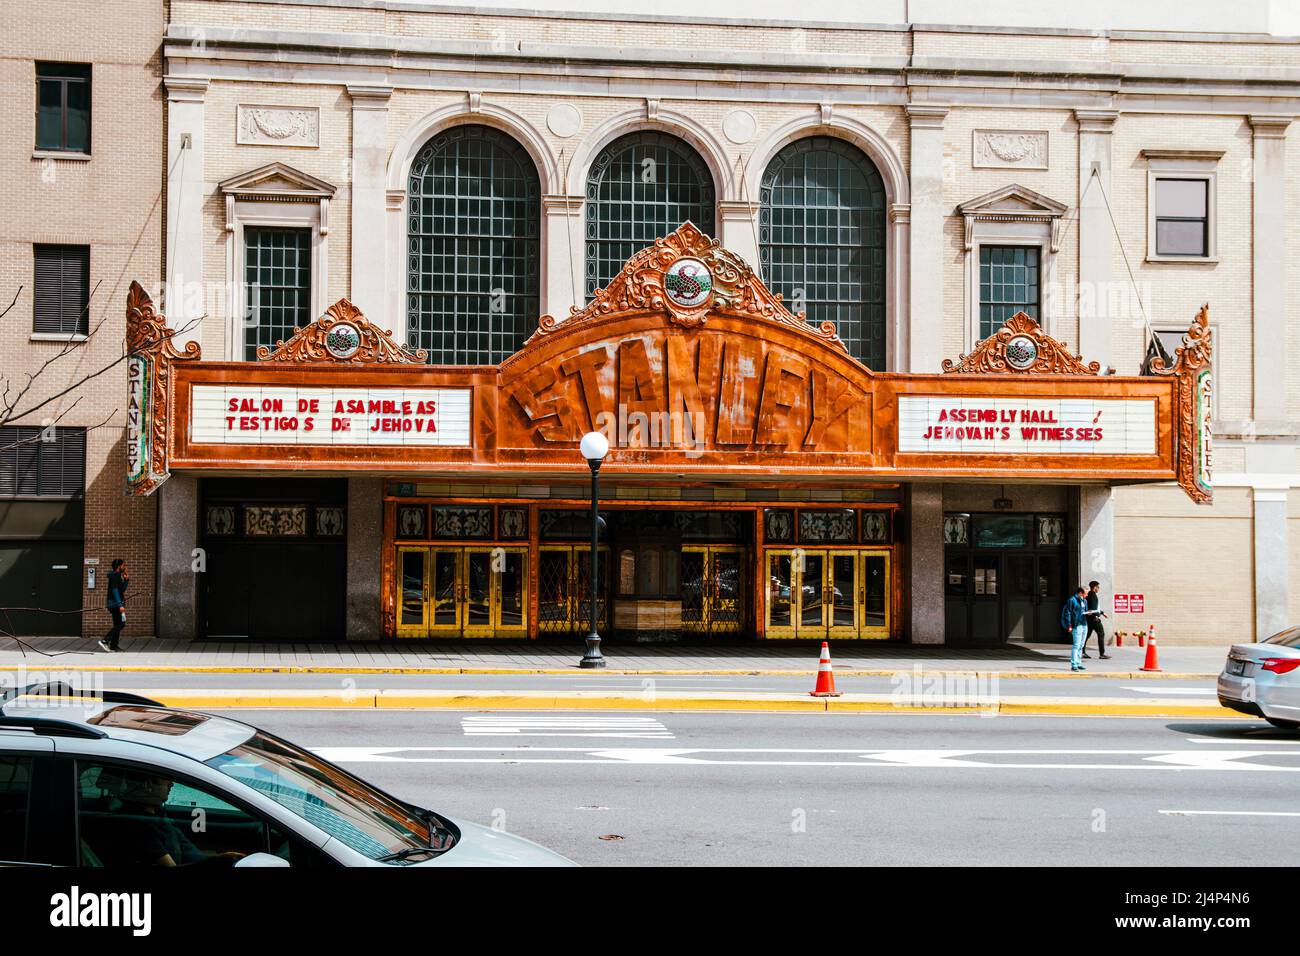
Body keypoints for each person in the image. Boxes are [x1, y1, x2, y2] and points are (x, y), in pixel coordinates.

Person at [98, 558, 128, 653]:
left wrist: (126, 580)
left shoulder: (117, 576)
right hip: (115, 604)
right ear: (119, 566)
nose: (124, 567)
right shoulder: (115, 576)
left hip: (116, 604)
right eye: (123, 565)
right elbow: (115, 591)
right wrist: (120, 605)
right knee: (121, 624)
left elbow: (121, 590)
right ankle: (105, 640)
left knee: (117, 624)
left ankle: (114, 646)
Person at [1061, 586, 1089, 672]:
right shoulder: (1072, 600)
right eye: (1086, 593)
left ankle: (1079, 663)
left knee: (1081, 645)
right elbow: (1068, 613)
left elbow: (1084, 611)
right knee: (1076, 645)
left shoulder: (1084, 601)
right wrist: (1069, 625)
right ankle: (1074, 664)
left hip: (1084, 624)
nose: (1087, 595)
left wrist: (1089, 613)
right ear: (1080, 593)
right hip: (1077, 625)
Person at [1082, 580, 1111, 660]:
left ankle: (1082, 652)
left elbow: (1094, 608)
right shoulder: (1093, 595)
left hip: (1090, 619)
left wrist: (1102, 612)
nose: (1099, 589)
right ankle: (1102, 654)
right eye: (1098, 587)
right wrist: (1097, 616)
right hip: (1094, 619)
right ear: (1094, 587)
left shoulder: (1089, 595)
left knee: (1086, 636)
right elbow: (1093, 609)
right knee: (1101, 634)